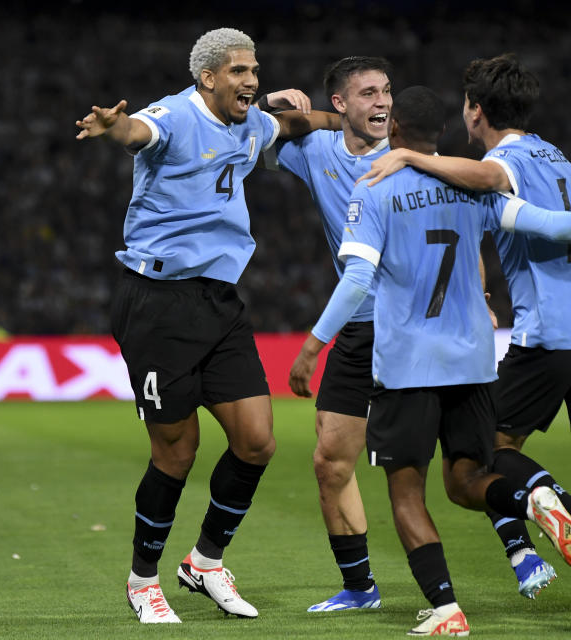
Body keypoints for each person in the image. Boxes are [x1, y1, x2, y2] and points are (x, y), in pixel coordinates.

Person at [294, 85, 571, 635]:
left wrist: (314, 344)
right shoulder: (471, 187)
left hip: (409, 364)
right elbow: (550, 224)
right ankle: (535, 502)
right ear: (441, 133)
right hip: (474, 364)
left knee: (407, 492)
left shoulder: (376, 188)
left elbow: (358, 277)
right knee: (466, 478)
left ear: (392, 132)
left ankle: (446, 610)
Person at [74, 27, 340, 624]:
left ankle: (205, 561)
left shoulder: (250, 123)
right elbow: (138, 133)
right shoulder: (173, 114)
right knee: (177, 452)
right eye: (240, 71)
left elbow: (293, 126)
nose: (251, 80)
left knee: (257, 440)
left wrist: (344, 120)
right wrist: (114, 128)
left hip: (219, 302)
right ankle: (143, 581)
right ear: (208, 77)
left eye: (255, 70)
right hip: (156, 304)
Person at [256, 55, 393, 613]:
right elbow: (254, 145)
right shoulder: (317, 152)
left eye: (386, 91)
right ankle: (359, 588)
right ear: (340, 103)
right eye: (367, 93)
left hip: (414, 328)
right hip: (360, 328)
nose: (383, 102)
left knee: (459, 463)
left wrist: (477, 297)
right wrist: (270, 106)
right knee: (330, 460)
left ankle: (534, 532)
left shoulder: (411, 158)